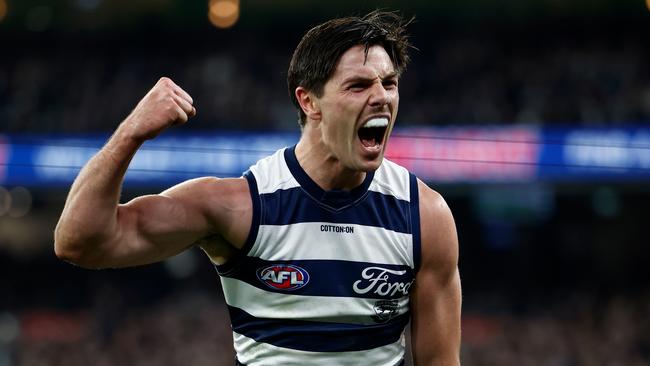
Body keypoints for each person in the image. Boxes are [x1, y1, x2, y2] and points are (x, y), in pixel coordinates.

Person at [54, 10, 461, 366]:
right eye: (358, 86)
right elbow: (80, 242)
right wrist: (130, 134)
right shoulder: (241, 205)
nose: (381, 98)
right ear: (309, 102)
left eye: (389, 83)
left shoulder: (424, 214)